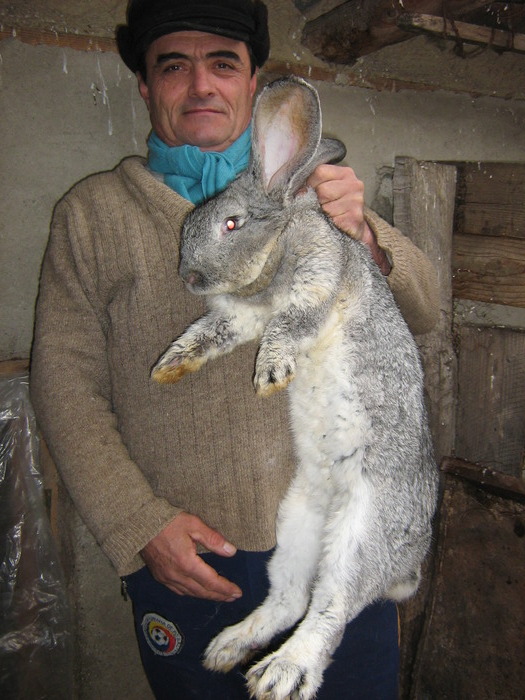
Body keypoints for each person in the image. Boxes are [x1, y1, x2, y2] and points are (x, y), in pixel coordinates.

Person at [30, 1, 439, 698]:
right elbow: (63, 384)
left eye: (224, 64)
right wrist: (138, 525)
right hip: (190, 561)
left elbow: (425, 306)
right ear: (145, 86)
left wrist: (363, 235)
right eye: (173, 66)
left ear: (253, 86)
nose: (200, 86)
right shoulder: (93, 215)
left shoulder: (305, 198)